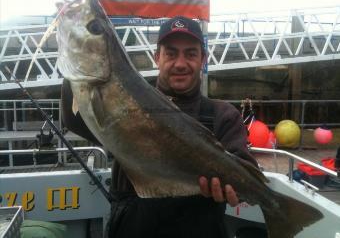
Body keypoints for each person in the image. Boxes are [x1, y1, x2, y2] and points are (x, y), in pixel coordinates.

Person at [61, 16, 258, 238]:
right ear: (157, 57)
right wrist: (78, 68)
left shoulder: (223, 115)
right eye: (171, 53)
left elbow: (245, 168)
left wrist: (240, 190)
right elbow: (74, 120)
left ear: (203, 59)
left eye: (191, 54)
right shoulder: (121, 105)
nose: (181, 63)